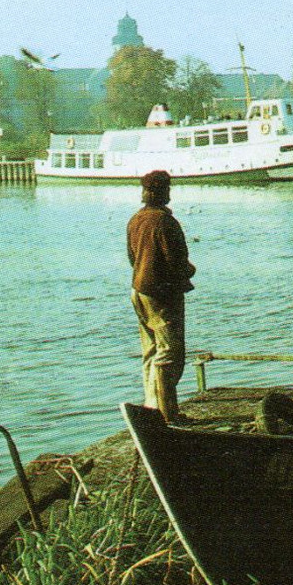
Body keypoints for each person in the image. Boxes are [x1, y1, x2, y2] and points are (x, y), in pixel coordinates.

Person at [127, 170, 195, 424]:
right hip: (162, 294)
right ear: (160, 192)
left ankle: (152, 410)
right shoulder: (165, 222)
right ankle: (169, 416)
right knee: (169, 355)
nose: (169, 194)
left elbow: (132, 257)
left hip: (139, 290)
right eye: (167, 189)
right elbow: (175, 261)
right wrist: (189, 271)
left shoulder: (135, 220)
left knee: (151, 352)